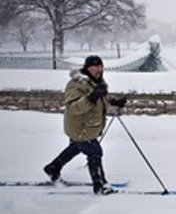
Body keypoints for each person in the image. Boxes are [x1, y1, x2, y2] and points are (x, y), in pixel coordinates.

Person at [43, 55, 127, 195]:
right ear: (87, 68)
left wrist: (114, 102)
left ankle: (53, 167)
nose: (99, 69)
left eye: (101, 66)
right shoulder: (76, 84)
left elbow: (102, 97)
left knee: (76, 147)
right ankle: (100, 185)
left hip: (89, 126)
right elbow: (73, 107)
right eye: (95, 67)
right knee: (95, 152)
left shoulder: (97, 81)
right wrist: (92, 97)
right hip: (80, 127)